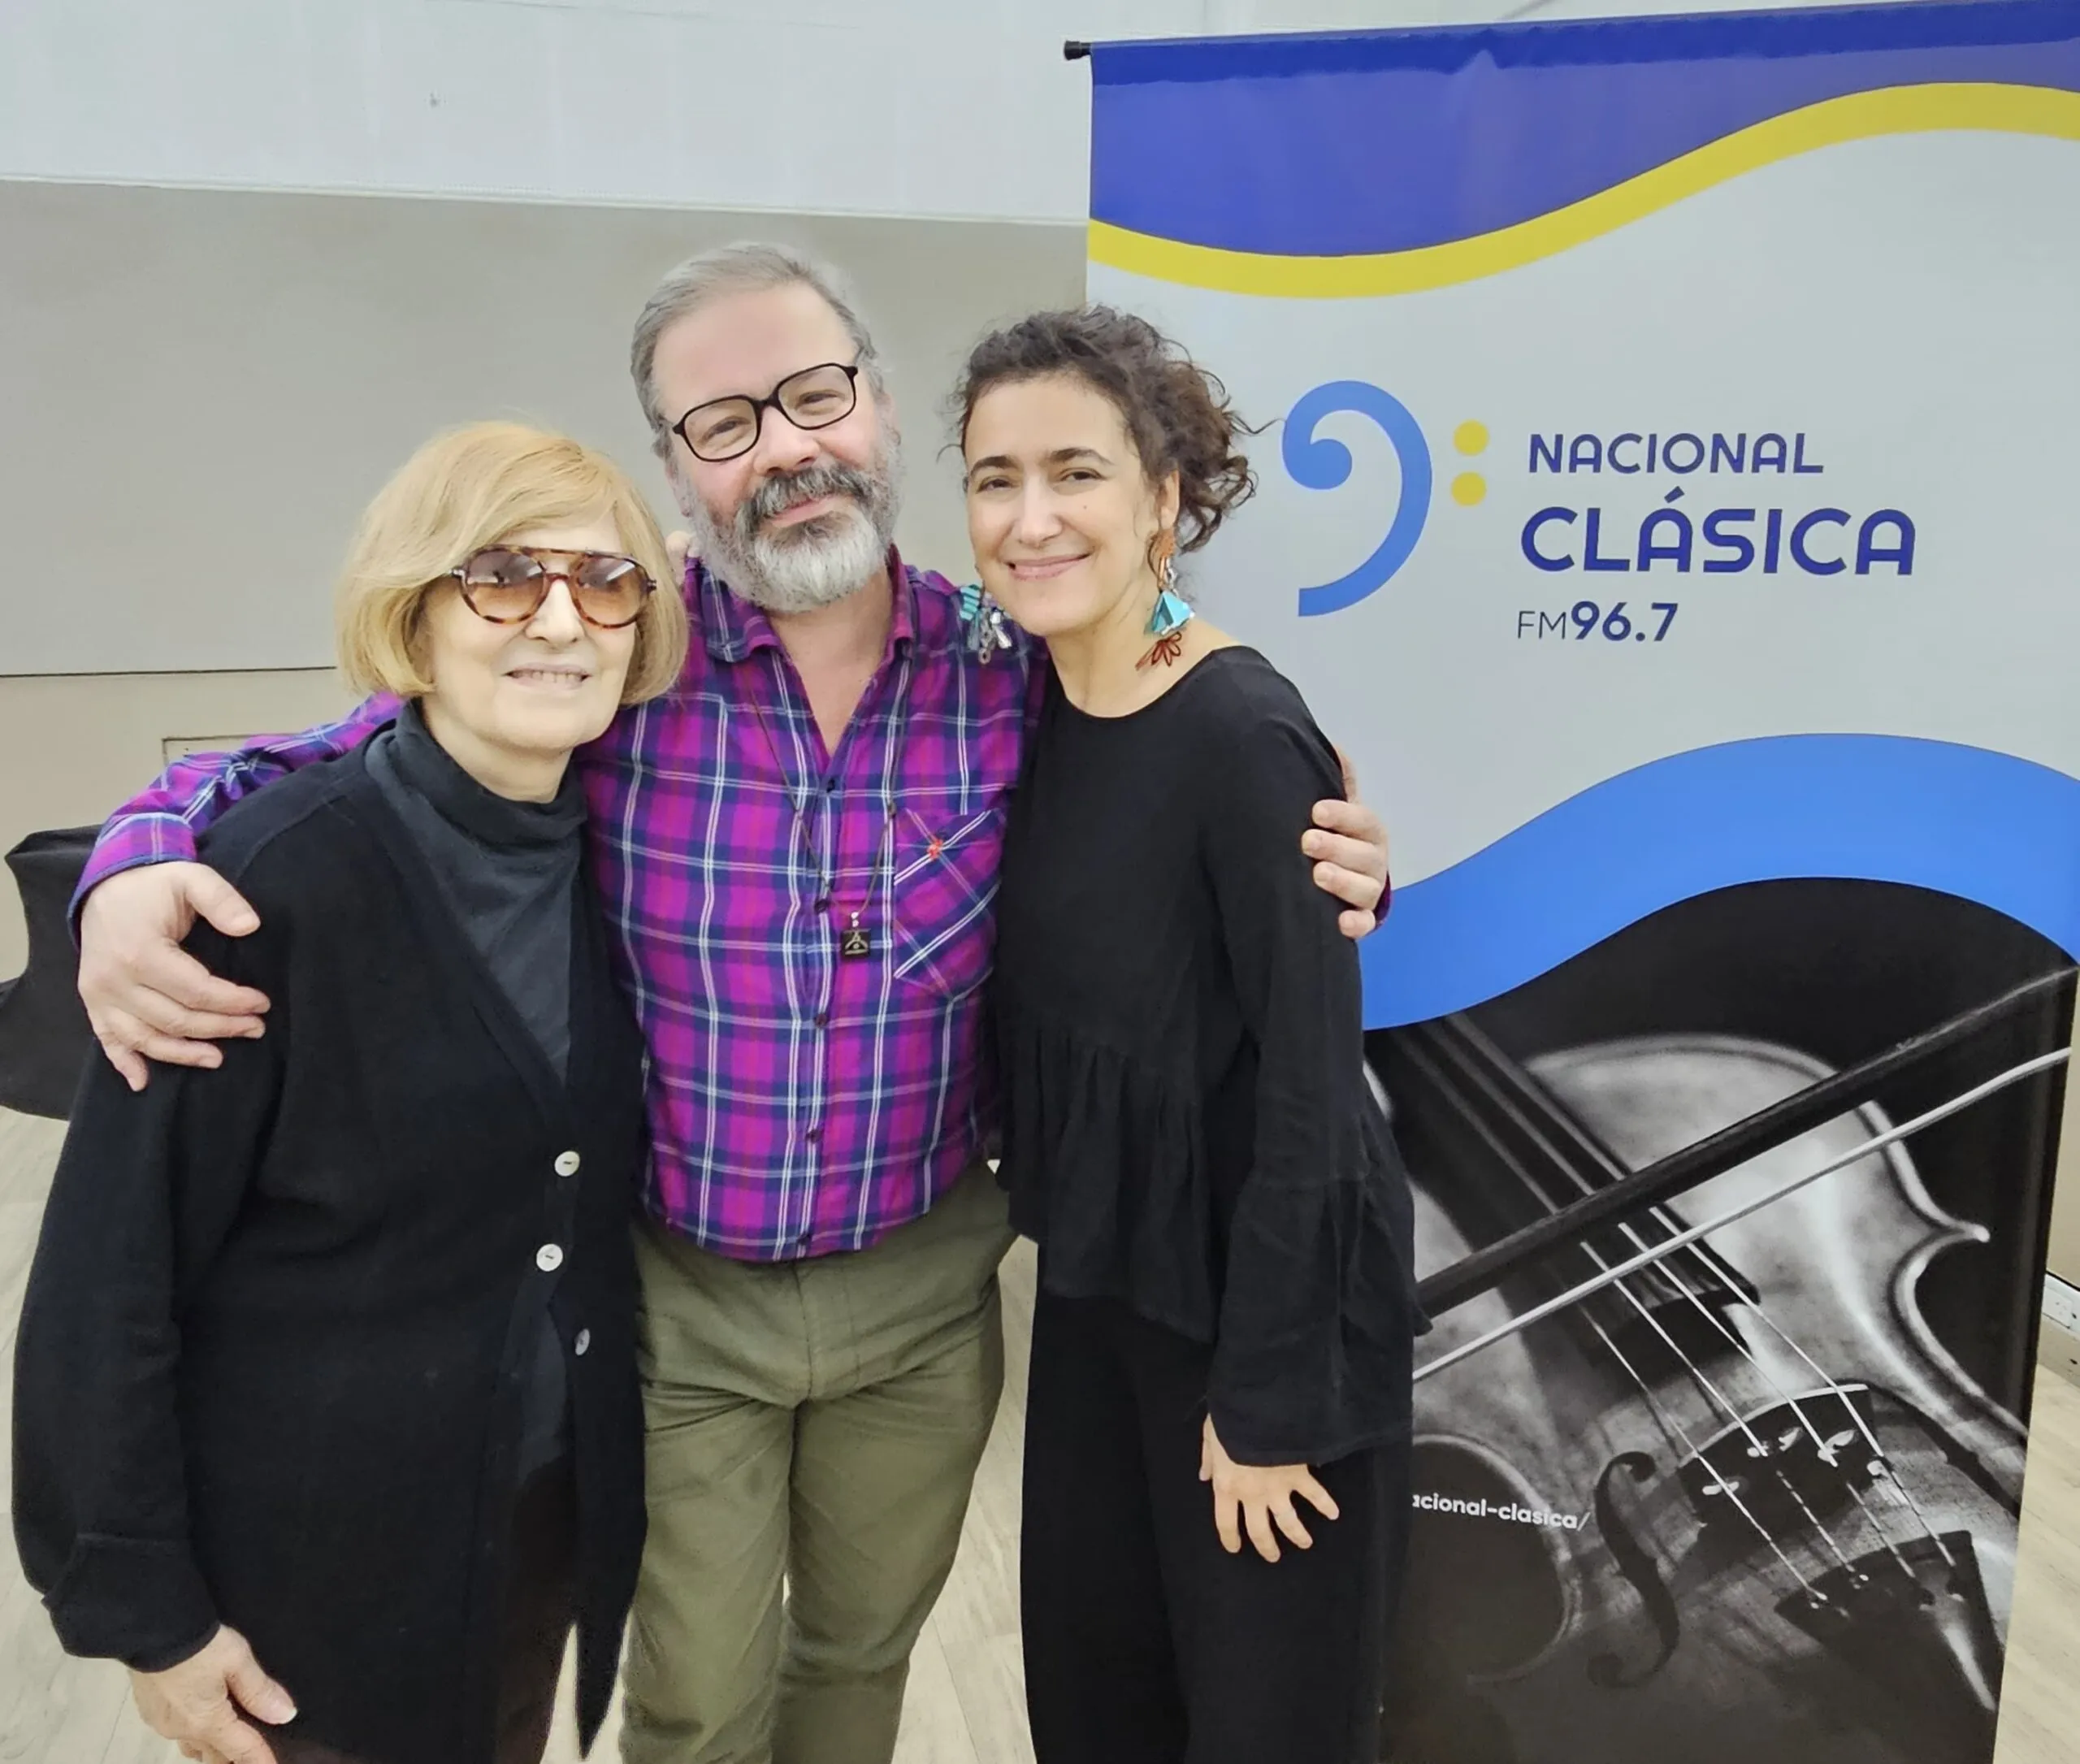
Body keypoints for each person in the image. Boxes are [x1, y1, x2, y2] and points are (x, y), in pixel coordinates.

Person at [68, 244, 1394, 1764]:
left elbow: (1167, 777)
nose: (784, 448)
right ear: (676, 468)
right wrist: (133, 857)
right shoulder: (619, 658)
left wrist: (1326, 846)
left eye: (816, 394)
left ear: (880, 411)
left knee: (860, 1662)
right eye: (724, 422)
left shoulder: (1004, 664)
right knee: (696, 1697)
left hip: (923, 1287)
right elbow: (340, 756)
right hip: (682, 1298)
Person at [15, 422, 687, 1764]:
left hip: (522, 1538)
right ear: (414, 614)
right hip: (308, 1580)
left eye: (606, 581)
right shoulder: (267, 883)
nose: (563, 618)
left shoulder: (624, 857)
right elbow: (111, 1269)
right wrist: (150, 1616)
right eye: (504, 575)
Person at [956, 307, 1421, 1764]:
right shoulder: (1033, 703)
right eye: (994, 479)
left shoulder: (1240, 731)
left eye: (1076, 472)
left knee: (1263, 1724)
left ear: (1164, 498)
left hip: (1260, 1312)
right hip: (1105, 1292)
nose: (1031, 517)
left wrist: (1270, 1400)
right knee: (1098, 1707)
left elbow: (1313, 1095)